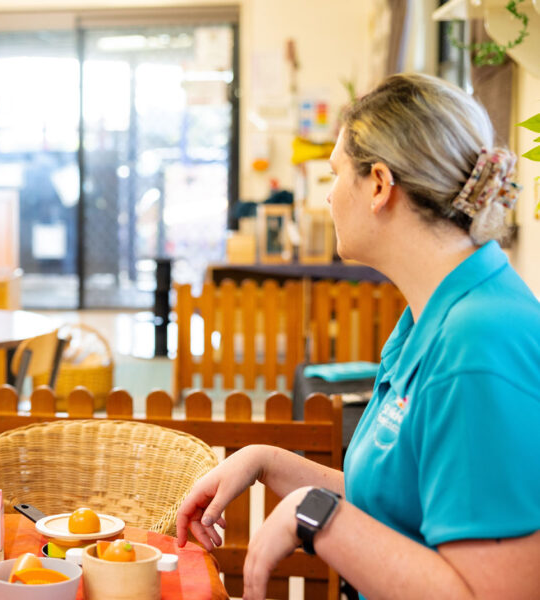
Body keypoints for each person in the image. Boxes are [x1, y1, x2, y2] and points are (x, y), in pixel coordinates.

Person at [177, 73, 540, 599]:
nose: (327, 196)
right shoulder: (431, 314)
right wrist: (267, 459)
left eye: (334, 173)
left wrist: (317, 517)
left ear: (378, 185)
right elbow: (396, 509)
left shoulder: (477, 343)